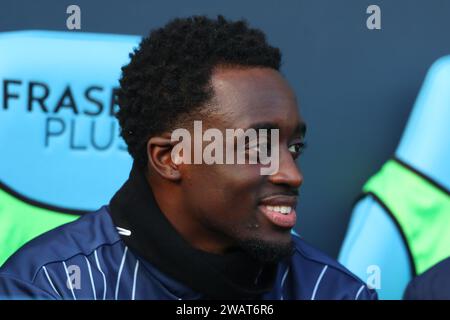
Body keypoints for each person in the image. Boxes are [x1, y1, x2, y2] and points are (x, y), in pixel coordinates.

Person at [0, 15, 377, 300]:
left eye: (293, 148)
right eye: (257, 146)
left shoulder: (333, 291)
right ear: (170, 158)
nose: (293, 175)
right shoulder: (50, 285)